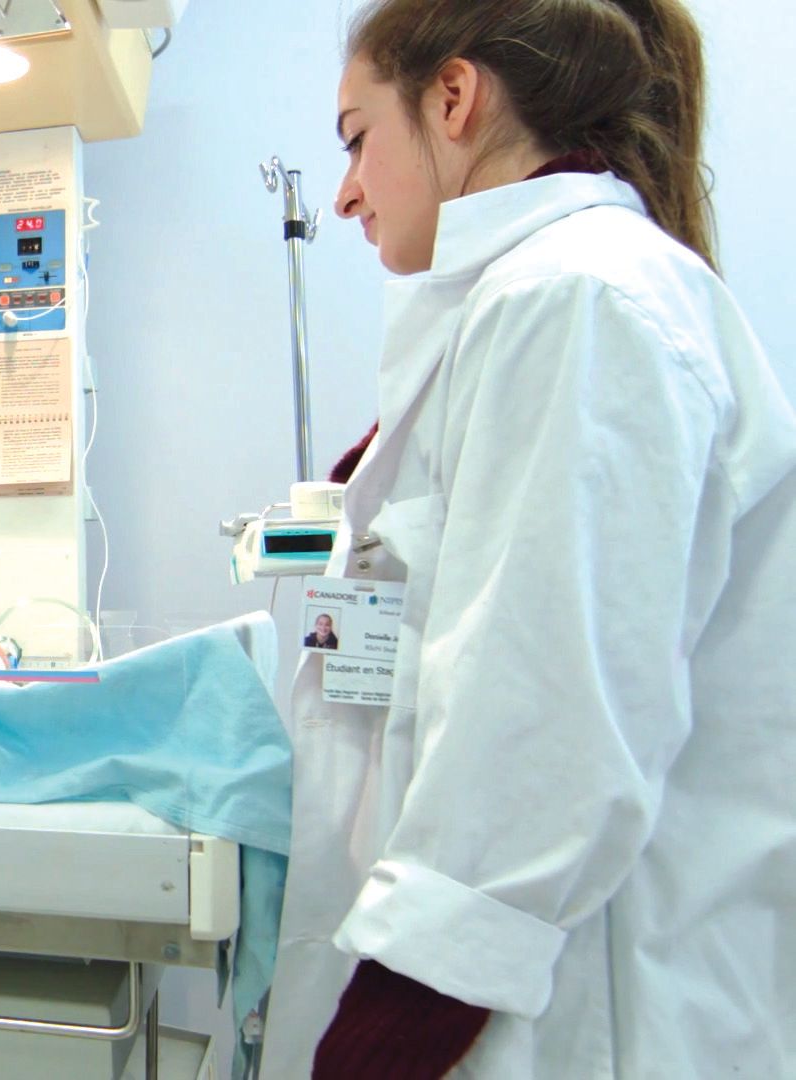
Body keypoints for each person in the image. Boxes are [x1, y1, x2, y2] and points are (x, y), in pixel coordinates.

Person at [262, 2, 796, 1077]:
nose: (347, 192)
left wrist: (381, 1041)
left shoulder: (575, 301)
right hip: (514, 983)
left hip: (573, 1015)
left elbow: (542, 736)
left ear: (453, 98)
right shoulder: (538, 302)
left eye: (357, 138)